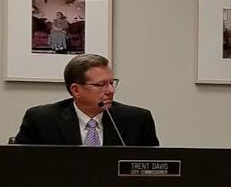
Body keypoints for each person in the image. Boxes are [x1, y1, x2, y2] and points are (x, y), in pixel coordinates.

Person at [14, 54, 159, 146]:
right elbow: (18, 167)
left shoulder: (137, 120)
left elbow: (152, 172)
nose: (111, 90)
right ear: (76, 90)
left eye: (111, 83)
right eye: (101, 85)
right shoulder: (41, 120)